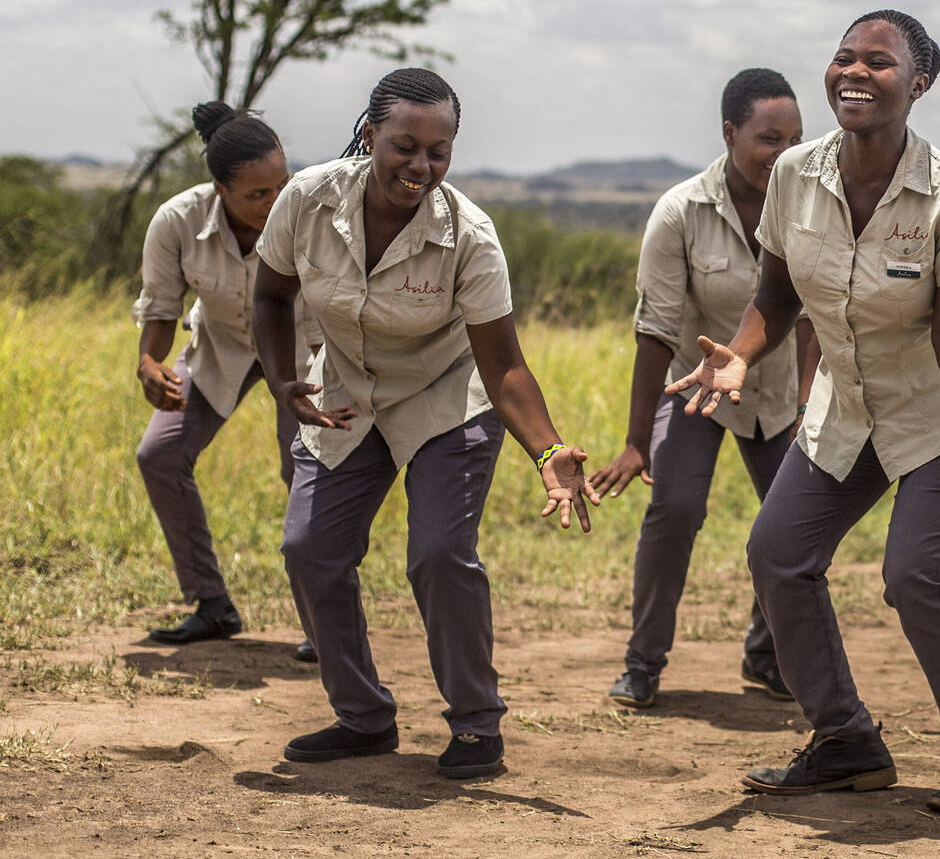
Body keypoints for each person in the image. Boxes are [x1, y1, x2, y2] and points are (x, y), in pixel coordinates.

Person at [667, 10, 940, 815]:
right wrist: (742, 351)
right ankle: (844, 740)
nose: (855, 73)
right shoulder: (795, 176)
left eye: (879, 63)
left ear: (919, 84)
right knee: (777, 555)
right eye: (845, 57)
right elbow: (775, 296)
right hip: (844, 408)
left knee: (915, 576)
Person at [252, 67, 598, 780]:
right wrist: (286, 378)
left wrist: (549, 449)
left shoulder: (469, 235)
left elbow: (503, 364)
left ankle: (476, 725)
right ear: (371, 133)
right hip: (347, 392)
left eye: (439, 152)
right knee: (310, 549)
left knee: (439, 554)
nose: (422, 166)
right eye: (406, 146)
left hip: (447, 399)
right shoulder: (309, 201)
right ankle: (362, 717)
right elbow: (271, 293)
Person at [589, 68, 813, 709]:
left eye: (795, 139)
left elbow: (816, 318)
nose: (784, 154)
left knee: (796, 526)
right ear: (729, 133)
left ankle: (767, 657)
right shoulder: (681, 211)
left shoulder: (811, 208)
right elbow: (655, 331)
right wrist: (638, 442)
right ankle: (642, 662)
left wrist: (804, 403)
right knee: (675, 510)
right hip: (696, 390)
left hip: (778, 396)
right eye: (769, 138)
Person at [134, 102, 319, 655]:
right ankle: (211, 604)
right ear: (219, 188)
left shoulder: (309, 216)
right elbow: (162, 305)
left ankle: (324, 626)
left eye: (280, 187)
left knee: (304, 470)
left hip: (306, 356)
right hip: (219, 347)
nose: (273, 203)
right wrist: (148, 362)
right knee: (159, 456)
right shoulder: (176, 221)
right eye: (256, 195)